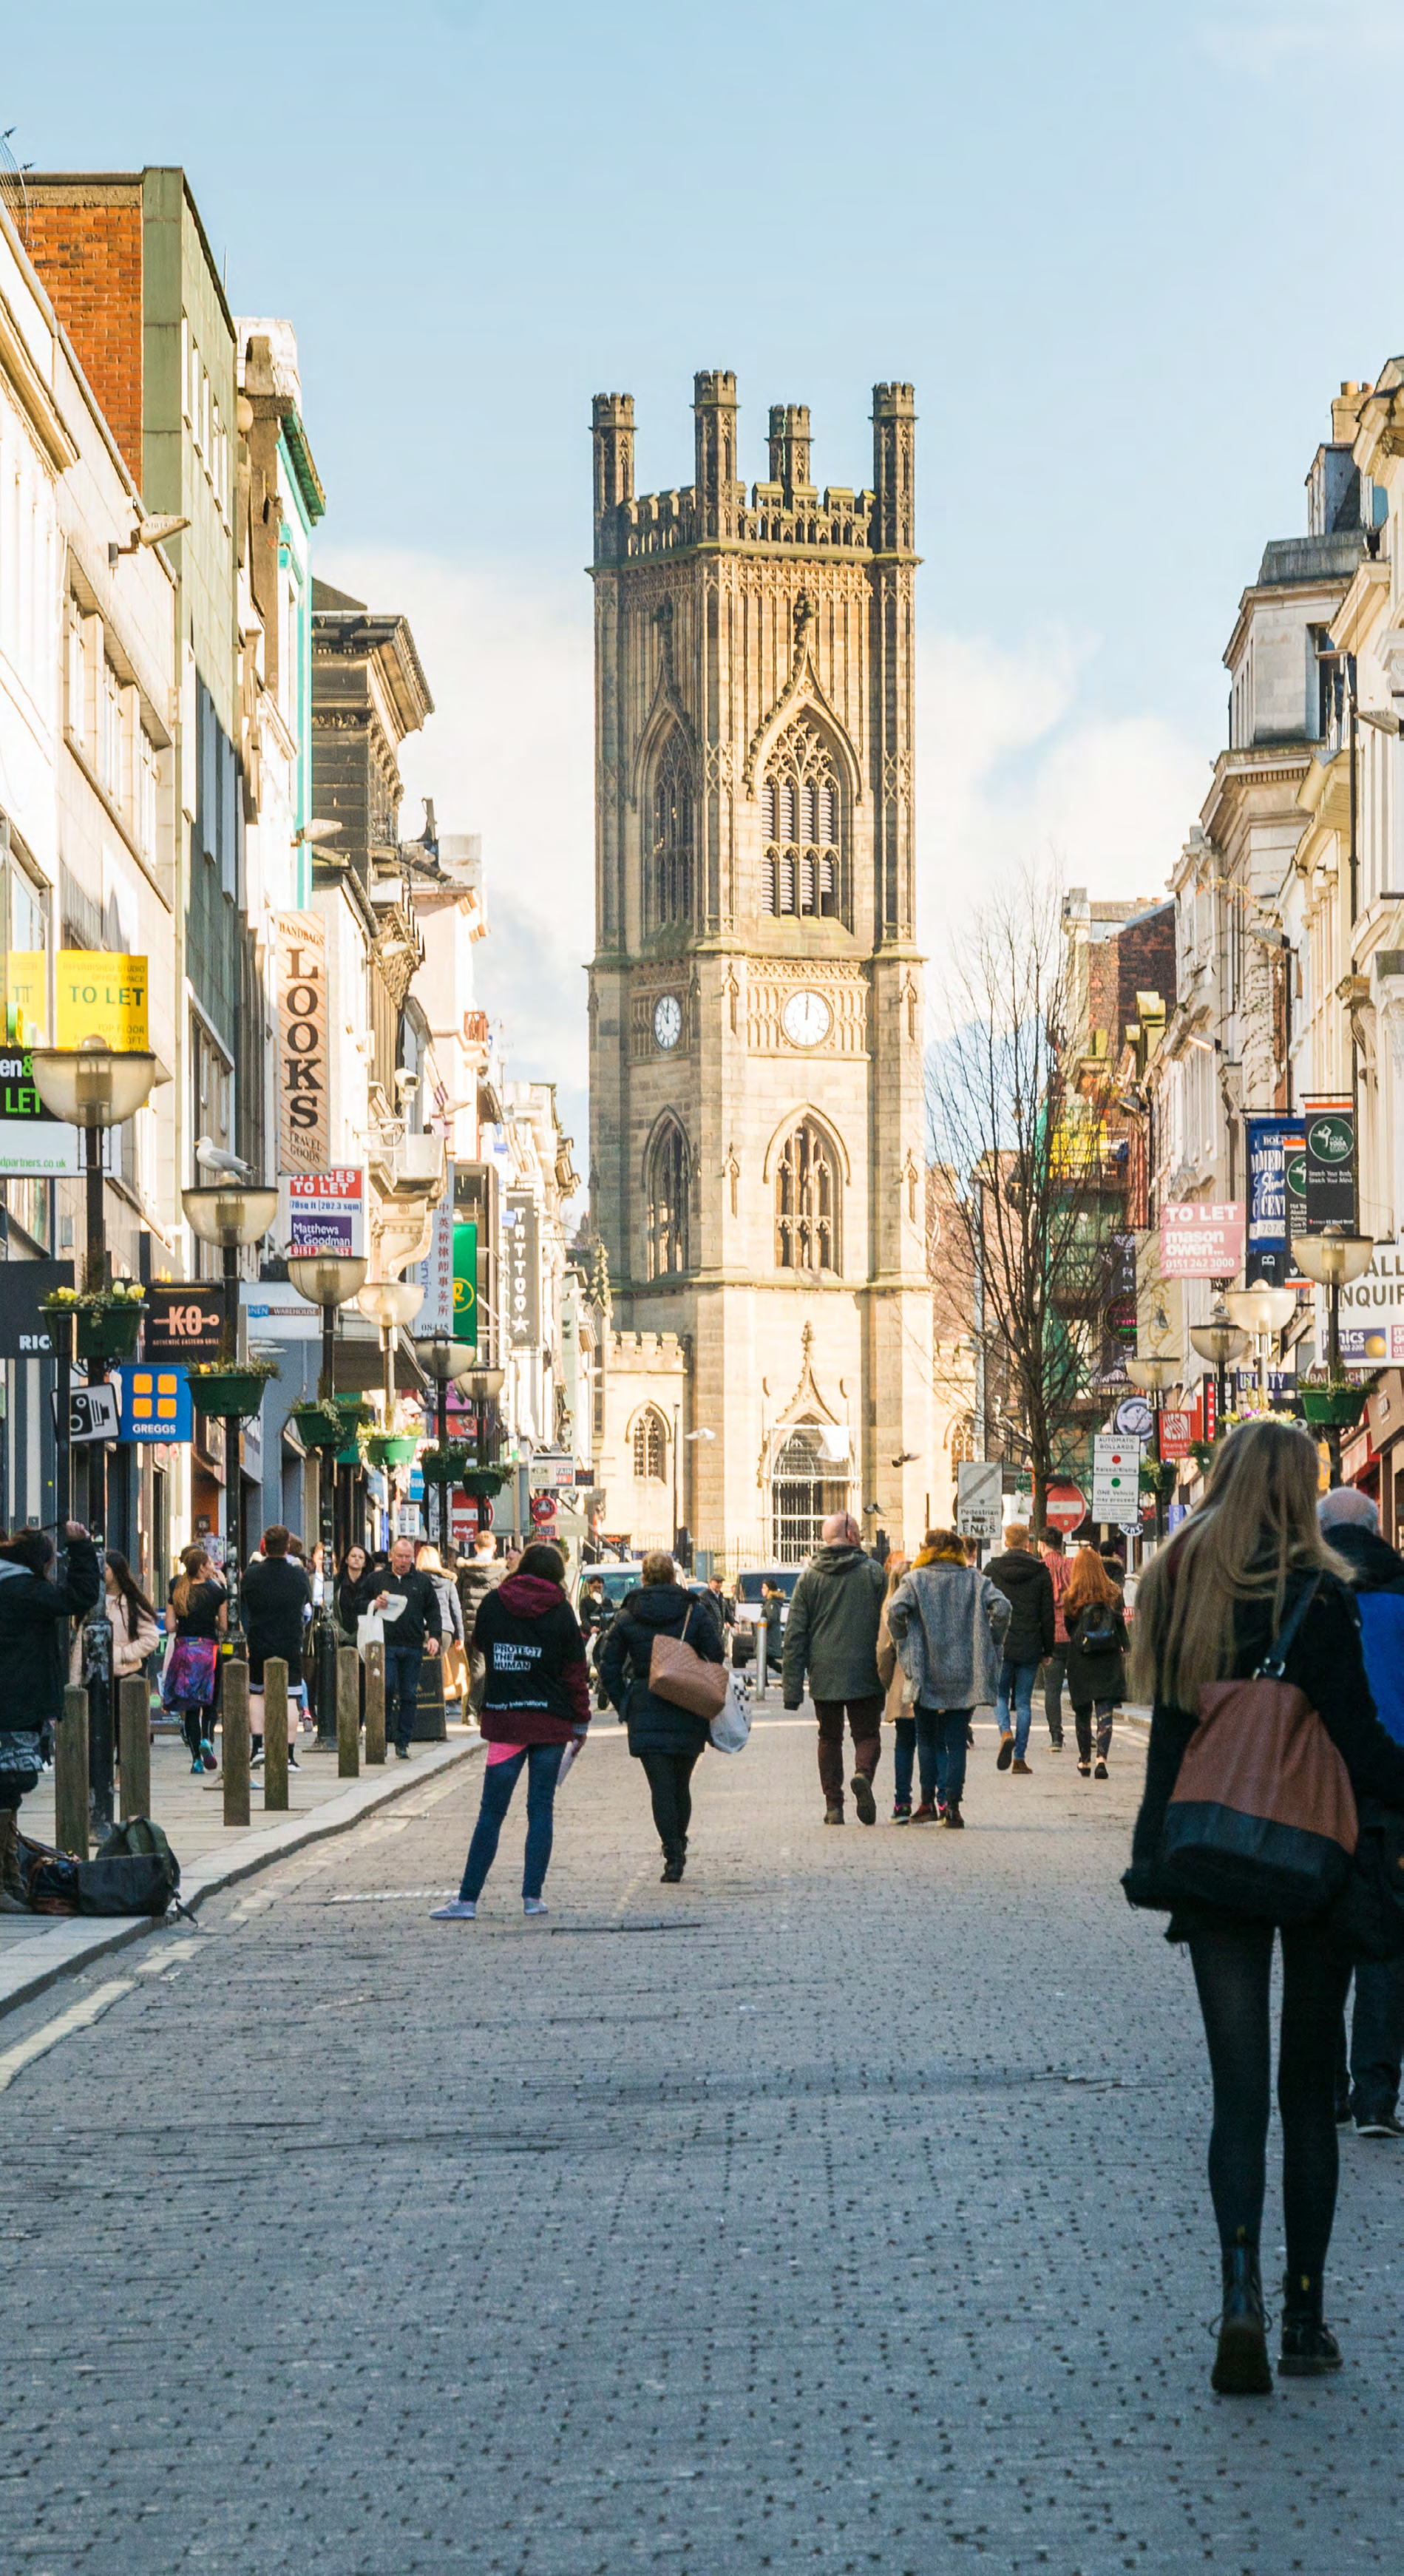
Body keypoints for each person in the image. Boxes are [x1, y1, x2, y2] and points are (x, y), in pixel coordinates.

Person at [1125, 1417, 1404, 2393]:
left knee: (1235, 2098)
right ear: (1295, 1491)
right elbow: (1355, 1737)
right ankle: (1301, 2317)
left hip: (1210, 1854)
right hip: (1309, 1856)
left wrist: (1151, 1854)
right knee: (1303, 2095)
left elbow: (1167, 1740)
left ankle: (1235, 2296)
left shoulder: (1177, 1584)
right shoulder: (1319, 1595)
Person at [432, 1541, 590, 1919]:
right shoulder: (562, 1611)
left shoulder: (494, 1602)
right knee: (541, 1810)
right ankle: (532, 1898)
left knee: (491, 1812)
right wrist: (581, 1720)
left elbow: (480, 1644)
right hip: (551, 1720)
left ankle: (467, 1900)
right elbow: (574, 1672)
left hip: (506, 1720)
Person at [1318, 1485, 1404, 2140]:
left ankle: (1324, 2091)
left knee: (1319, 1940)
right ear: (1378, 1527)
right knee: (1386, 1940)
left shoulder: (1303, 1597)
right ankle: (1375, 2095)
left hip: (1315, 1787)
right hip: (1394, 1791)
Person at [600, 1550, 725, 1881]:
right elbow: (717, 1654)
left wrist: (623, 1701)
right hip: (688, 1705)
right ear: (673, 1577)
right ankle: (679, 1843)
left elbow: (608, 1665)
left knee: (661, 1786)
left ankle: (673, 1852)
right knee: (681, 1783)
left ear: (643, 1578)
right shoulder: (693, 1611)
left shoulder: (628, 1615)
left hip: (646, 1703)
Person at [0, 1521, 101, 1907]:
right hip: (16, 1702)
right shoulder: (25, 1590)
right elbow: (80, 1597)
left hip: (14, 1701)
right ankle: (5, 1883)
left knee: (8, 1788)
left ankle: (10, 1880)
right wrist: (81, 1547)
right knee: (10, 1783)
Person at [886, 1531, 1010, 1830]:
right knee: (955, 1741)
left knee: (927, 1739)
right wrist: (993, 1640)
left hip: (926, 1670)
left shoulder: (915, 1581)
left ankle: (927, 1803)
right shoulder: (975, 1580)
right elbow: (1003, 1608)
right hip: (965, 1673)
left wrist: (904, 1639)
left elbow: (894, 1610)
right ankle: (953, 1807)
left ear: (928, 1550)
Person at [781, 1512, 888, 1826]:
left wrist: (791, 1689)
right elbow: (888, 1625)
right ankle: (863, 1774)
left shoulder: (809, 1576)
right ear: (853, 1536)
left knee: (829, 1738)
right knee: (867, 1734)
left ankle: (833, 1806)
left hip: (824, 1671)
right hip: (866, 1670)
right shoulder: (873, 1573)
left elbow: (795, 1634)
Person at [986, 1522, 1055, 1774]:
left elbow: (984, 1609)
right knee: (1024, 1702)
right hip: (1030, 1644)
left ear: (1006, 1542)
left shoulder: (992, 1570)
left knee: (1000, 1696)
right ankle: (1020, 1759)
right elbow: (1047, 1615)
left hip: (1000, 1644)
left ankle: (1005, 1732)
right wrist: (1049, 1650)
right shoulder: (1041, 1572)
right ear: (1028, 1542)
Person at [242, 1527, 313, 1768]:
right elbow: (306, 1603)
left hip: (260, 1640)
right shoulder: (299, 1576)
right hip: (290, 1641)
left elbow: (245, 1602)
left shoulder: (251, 1575)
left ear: (264, 1545)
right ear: (287, 1547)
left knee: (258, 1693)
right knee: (291, 1696)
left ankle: (258, 1747)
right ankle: (289, 1755)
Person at [372, 1533, 442, 1758]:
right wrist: (373, 1603)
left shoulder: (421, 1581)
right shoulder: (377, 1579)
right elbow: (358, 1602)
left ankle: (403, 1742)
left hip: (412, 1645)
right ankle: (383, 1737)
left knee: (409, 1695)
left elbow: (433, 1611)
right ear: (391, 1555)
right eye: (400, 1556)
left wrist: (434, 1637)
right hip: (386, 1644)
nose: (403, 1561)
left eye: (408, 1557)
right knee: (387, 1688)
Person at [1062, 1543, 1127, 1778]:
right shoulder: (1113, 1593)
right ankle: (1102, 1759)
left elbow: (1071, 1630)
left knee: (1082, 1713)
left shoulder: (1071, 1597)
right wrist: (1125, 1648)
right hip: (1108, 1657)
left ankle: (1084, 1761)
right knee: (1104, 1712)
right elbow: (1120, 1624)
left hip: (1081, 1659)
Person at [162, 1543, 227, 1772]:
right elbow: (224, 1625)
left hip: (184, 1650)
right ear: (200, 1567)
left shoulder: (177, 1592)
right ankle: (207, 1740)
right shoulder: (218, 1592)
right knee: (209, 1701)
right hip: (209, 1650)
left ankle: (196, 1761)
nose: (212, 1567)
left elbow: (169, 1625)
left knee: (190, 1706)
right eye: (209, 1564)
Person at [874, 1552, 926, 1820]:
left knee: (904, 1744)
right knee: (933, 1742)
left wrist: (888, 1685)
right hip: (928, 1684)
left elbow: (883, 1654)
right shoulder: (924, 1604)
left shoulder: (888, 1609)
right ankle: (937, 1800)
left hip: (902, 1685)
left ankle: (902, 1803)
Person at [78, 1550, 160, 1687]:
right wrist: (76, 1681)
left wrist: (122, 1655)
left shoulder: (132, 1604)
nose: (101, 1573)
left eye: (106, 1569)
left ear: (117, 1572)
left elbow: (151, 1639)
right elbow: (81, 1642)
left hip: (125, 1677)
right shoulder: (93, 1602)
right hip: (94, 1676)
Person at [457, 1528, 503, 1718]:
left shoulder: (465, 1571)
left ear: (476, 1547)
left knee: (468, 1669)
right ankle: (474, 1711)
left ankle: (470, 1710)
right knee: (481, 1669)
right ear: (494, 1548)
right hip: (490, 1628)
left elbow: (458, 1597)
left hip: (467, 1626)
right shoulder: (500, 1572)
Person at [416, 1542, 466, 1707]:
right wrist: (460, 1636)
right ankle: (438, 1706)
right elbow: (455, 1609)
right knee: (437, 1667)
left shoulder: (415, 1580)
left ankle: (421, 1704)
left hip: (420, 1629)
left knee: (419, 1667)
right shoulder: (448, 1581)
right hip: (444, 1630)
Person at [1039, 1528, 1072, 1751]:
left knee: (1052, 1689)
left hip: (1051, 1638)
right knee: (1080, 1688)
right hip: (1074, 1634)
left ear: (1041, 1544)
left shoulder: (1039, 1568)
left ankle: (1056, 1737)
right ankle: (1085, 1733)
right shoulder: (1072, 1565)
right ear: (1061, 1544)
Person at [759, 1580, 785, 1686]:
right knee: (764, 1659)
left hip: (769, 1636)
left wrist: (762, 1627)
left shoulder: (772, 1603)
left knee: (767, 1659)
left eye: (765, 1588)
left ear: (770, 1590)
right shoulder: (770, 1602)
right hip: (767, 1635)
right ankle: (763, 1682)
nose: (762, 1590)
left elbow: (771, 1618)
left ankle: (787, 1674)